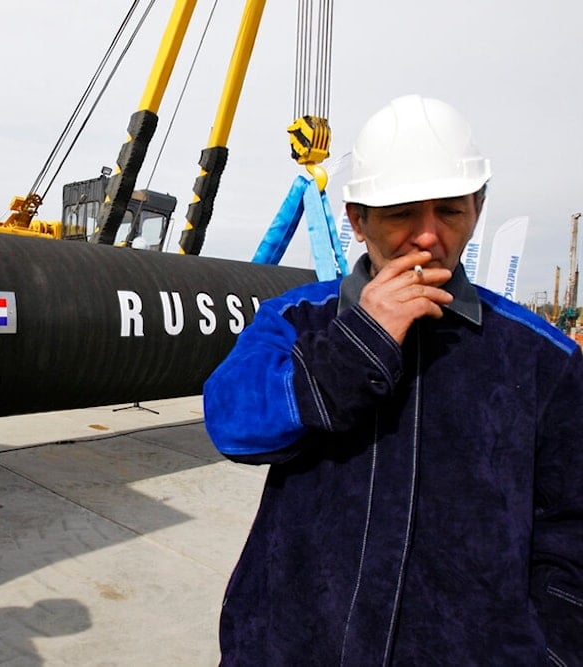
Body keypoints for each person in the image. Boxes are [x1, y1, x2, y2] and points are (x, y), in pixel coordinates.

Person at [203, 94, 583, 665]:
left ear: (477, 209)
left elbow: (571, 531)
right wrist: (359, 344)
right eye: (403, 212)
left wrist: (551, 648)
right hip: (290, 645)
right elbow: (232, 425)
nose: (428, 237)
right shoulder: (297, 319)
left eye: (450, 211)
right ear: (358, 219)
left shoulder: (541, 358)